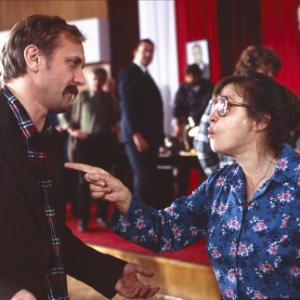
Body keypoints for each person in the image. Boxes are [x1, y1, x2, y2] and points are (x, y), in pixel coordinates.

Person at [66, 73, 300, 299]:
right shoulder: (221, 184)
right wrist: (125, 199)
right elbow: (166, 230)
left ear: (260, 120)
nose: (211, 116)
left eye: (224, 106)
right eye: (213, 106)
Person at [0, 15, 159, 300]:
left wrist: (110, 273)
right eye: (72, 63)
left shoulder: (50, 138)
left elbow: (49, 234)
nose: (81, 79)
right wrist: (9, 292)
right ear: (33, 58)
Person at [194, 46, 282, 176]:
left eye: (272, 73)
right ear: (250, 69)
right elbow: (202, 145)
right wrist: (221, 179)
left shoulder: (272, 101)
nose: (270, 77)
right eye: (266, 71)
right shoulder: (223, 98)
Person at [66, 67, 120, 232]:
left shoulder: (109, 97)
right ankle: (83, 220)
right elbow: (67, 116)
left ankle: (102, 216)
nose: (97, 82)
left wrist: (114, 127)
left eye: (101, 80)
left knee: (104, 182)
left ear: (104, 81)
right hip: (86, 143)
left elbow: (117, 117)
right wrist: (72, 130)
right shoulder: (82, 96)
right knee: (84, 183)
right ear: (90, 80)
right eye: (95, 79)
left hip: (104, 142)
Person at [118, 38, 165, 208]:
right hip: (136, 137)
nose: (148, 54)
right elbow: (127, 105)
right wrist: (135, 134)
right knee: (143, 180)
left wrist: (160, 138)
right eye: (145, 50)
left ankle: (148, 222)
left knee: (150, 180)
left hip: (150, 138)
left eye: (151, 51)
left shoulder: (145, 74)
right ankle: (138, 223)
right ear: (135, 52)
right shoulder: (128, 73)